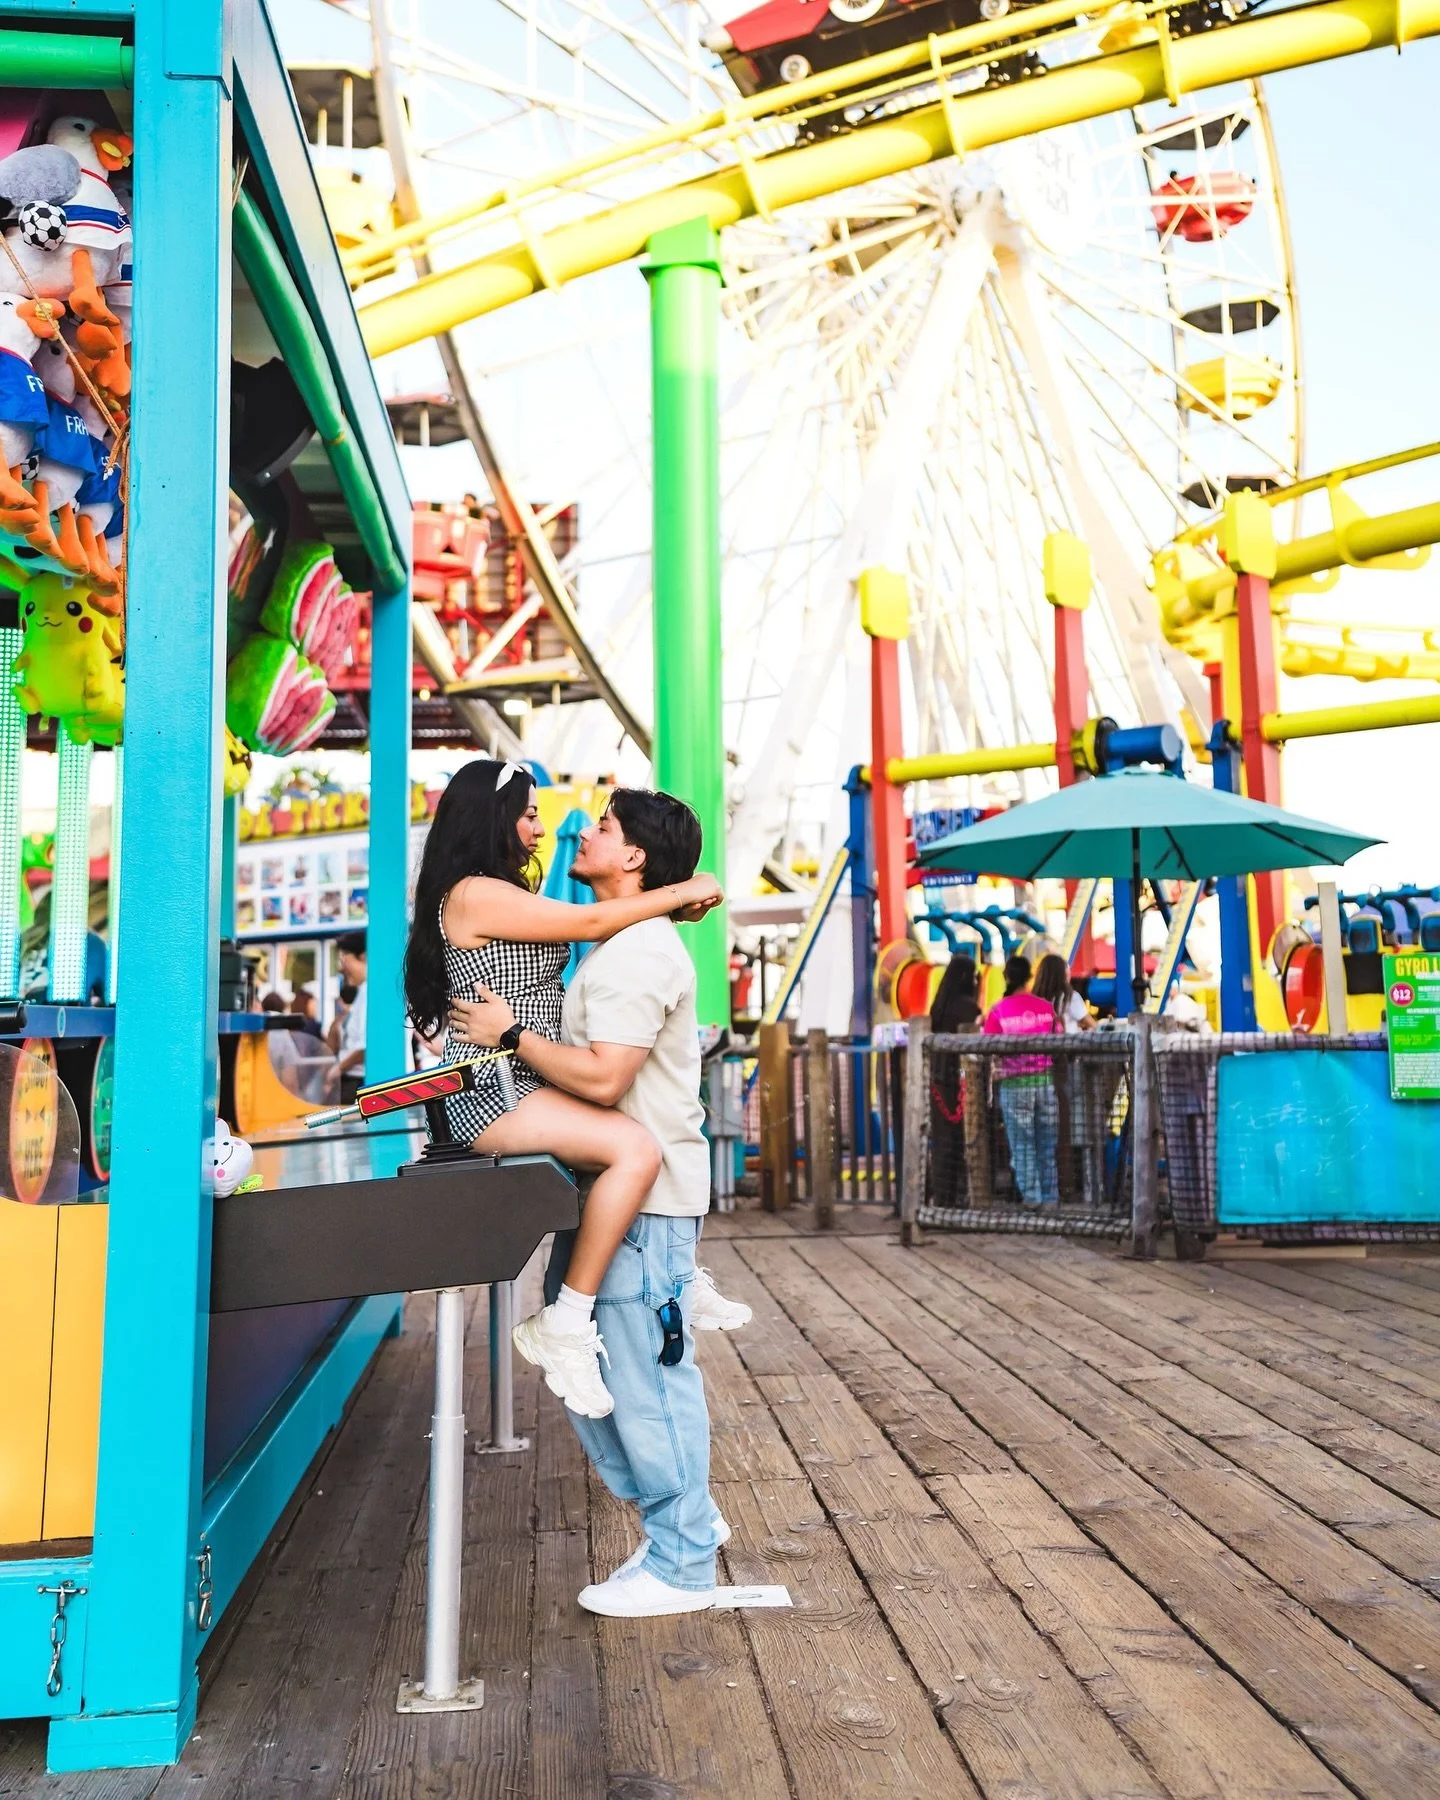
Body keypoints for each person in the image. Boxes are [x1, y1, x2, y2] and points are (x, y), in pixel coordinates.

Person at [449, 787, 733, 1617]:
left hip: (646, 1201)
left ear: (635, 858)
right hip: (616, 1194)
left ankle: (683, 1561)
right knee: (595, 1370)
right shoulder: (623, 942)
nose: (583, 830)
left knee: (645, 1380)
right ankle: (678, 1524)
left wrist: (510, 1036)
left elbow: (607, 1078)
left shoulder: (640, 952)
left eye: (604, 828)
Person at [404, 760, 733, 1422]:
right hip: (491, 1090)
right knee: (635, 1151)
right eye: (529, 813)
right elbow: (589, 926)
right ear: (490, 817)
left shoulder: (500, 892)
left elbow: (602, 918)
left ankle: (672, 1270)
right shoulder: (472, 893)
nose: (540, 826)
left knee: (650, 1130)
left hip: (523, 1077)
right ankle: (567, 1321)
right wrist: (680, 891)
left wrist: (677, 904)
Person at [982, 954, 1060, 1208]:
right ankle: (1051, 1198)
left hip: (1014, 1086)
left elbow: (986, 1045)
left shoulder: (998, 1011)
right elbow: (1060, 1038)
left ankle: (1033, 1199)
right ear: (1029, 978)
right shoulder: (1046, 1008)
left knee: (1023, 1145)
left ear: (1007, 977)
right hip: (1045, 1083)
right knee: (1046, 1144)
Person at [928, 953, 982, 1207]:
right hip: (962, 1080)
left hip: (937, 1078)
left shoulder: (938, 1006)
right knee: (964, 1139)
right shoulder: (968, 1007)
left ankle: (941, 1196)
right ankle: (965, 1196)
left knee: (942, 1140)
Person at [328, 932, 368, 1103]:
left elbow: (366, 1046)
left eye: (344, 958)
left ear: (363, 957)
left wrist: (337, 1069)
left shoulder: (370, 992)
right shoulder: (362, 992)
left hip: (359, 1082)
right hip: (352, 1081)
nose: (341, 967)